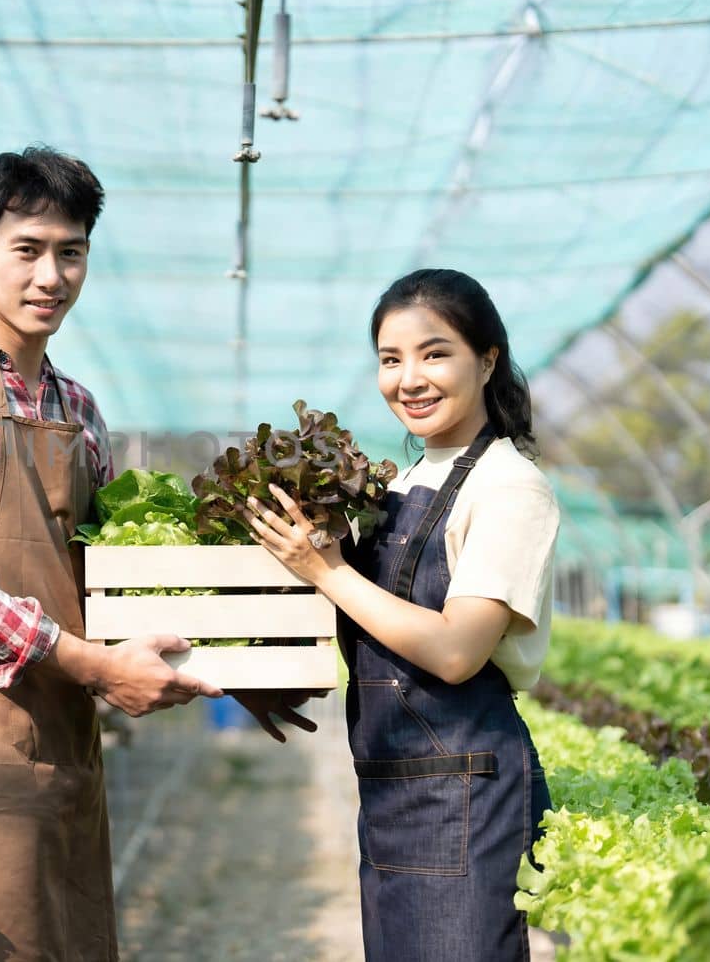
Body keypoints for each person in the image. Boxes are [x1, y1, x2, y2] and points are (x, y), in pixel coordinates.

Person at [0, 146, 221, 962]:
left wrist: (206, 654)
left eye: (72, 252)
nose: (50, 276)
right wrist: (95, 665)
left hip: (70, 735)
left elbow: (100, 572)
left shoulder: (78, 407)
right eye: (27, 250)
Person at [245, 268, 558, 961]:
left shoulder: (511, 486)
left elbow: (455, 650)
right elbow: (369, 627)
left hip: (462, 794)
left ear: (487, 359)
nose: (409, 379)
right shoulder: (400, 484)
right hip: (392, 787)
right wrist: (254, 671)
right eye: (391, 360)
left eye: (434, 353)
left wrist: (322, 570)